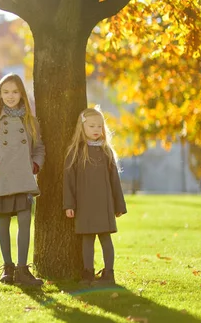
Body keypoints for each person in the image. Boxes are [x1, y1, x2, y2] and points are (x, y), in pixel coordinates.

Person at [0, 73, 45, 286]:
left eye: (15, 91)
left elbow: (39, 148)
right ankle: (7, 268)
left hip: (24, 178)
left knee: (25, 221)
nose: (10, 96)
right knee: (4, 222)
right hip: (1, 179)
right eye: (5, 92)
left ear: (22, 94)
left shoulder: (31, 121)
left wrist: (35, 165)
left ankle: (23, 269)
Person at [63, 107, 127, 286]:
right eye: (91, 126)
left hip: (104, 204)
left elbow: (115, 181)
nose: (96, 130)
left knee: (106, 238)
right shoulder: (76, 152)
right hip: (84, 205)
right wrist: (69, 204)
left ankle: (109, 273)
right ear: (82, 128)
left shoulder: (106, 152)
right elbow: (69, 181)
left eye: (99, 126)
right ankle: (88, 273)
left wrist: (119, 206)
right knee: (87, 239)